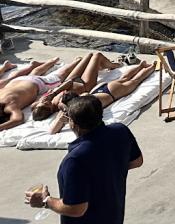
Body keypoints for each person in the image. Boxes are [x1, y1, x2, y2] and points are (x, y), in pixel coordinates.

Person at [24, 95, 143, 223]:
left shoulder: (75, 160)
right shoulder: (120, 131)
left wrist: (45, 201)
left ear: (73, 124)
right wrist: (108, 170)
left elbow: (76, 209)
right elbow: (137, 161)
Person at [2, 53, 118, 132]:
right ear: (51, 108)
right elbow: (54, 127)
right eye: (45, 103)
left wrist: (43, 100)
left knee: (87, 56)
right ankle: (114, 65)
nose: (43, 100)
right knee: (96, 56)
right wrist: (53, 93)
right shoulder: (60, 104)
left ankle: (102, 65)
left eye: (41, 102)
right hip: (83, 84)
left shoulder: (36, 105)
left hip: (70, 81)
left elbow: (34, 109)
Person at [45, 63, 156, 134]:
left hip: (111, 94)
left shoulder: (77, 110)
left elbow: (52, 131)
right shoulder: (81, 98)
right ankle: (141, 65)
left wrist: (65, 118)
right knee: (124, 78)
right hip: (101, 89)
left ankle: (152, 67)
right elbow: (61, 104)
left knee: (135, 81)